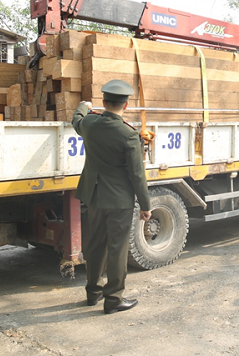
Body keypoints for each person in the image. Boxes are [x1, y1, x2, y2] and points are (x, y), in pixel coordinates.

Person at [73, 80, 152, 313]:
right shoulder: (128, 134)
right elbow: (137, 175)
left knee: (95, 244)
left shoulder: (89, 124)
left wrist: (83, 106)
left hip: (95, 195)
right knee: (117, 248)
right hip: (119, 201)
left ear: (104, 102)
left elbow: (76, 120)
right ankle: (114, 299)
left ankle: (92, 293)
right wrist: (146, 205)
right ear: (126, 106)